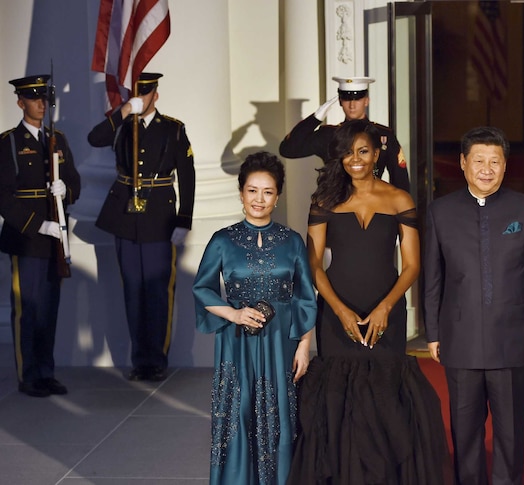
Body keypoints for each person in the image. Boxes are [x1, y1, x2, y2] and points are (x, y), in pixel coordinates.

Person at [288, 119, 446, 484]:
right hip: (335, 311)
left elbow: (411, 265)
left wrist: (386, 307)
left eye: (362, 152)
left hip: (384, 312)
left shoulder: (399, 199)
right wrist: (340, 310)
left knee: (385, 399)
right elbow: (312, 263)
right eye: (347, 152)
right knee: (340, 402)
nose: (354, 160)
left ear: (377, 154)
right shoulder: (325, 198)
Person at [424, 126, 524, 485]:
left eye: (494, 161)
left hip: (513, 339)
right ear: (463, 163)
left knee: (510, 433)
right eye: (478, 160)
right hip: (459, 340)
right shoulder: (440, 212)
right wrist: (432, 332)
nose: (486, 168)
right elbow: (433, 277)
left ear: (505, 165)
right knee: (464, 434)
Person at [193, 151, 316, 484]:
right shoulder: (222, 240)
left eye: (267, 192)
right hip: (237, 342)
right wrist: (234, 313)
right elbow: (202, 289)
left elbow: (306, 296)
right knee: (239, 409)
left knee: (281, 414)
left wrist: (304, 346)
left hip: (282, 341)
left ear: (277, 196)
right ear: (241, 192)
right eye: (252, 190)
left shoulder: (292, 241)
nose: (259, 199)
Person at [87, 73, 195, 382]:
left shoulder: (173, 129)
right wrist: (122, 112)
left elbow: (187, 175)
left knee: (158, 292)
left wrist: (183, 219)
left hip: (160, 217)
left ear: (155, 96)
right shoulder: (122, 126)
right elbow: (95, 139)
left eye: (145, 95)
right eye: (135, 95)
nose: (140, 99)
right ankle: (140, 360)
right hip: (126, 218)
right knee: (133, 291)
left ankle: (157, 359)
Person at [0, 74, 80, 397]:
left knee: (49, 309)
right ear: (21, 103)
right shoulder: (8, 143)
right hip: (27, 237)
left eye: (43, 98)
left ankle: (46, 372)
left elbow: (74, 180)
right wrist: (37, 224)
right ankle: (29, 374)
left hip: (54, 239)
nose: (40, 104)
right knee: (28, 309)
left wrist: (67, 190)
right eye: (34, 99)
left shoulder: (56, 139)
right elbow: (4, 196)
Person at [279, 76, 410, 192]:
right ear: (340, 101)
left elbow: (400, 180)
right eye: (347, 99)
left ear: (366, 101)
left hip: (372, 206)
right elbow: (288, 150)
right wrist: (315, 118)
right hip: (336, 207)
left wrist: (399, 216)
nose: (352, 105)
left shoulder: (383, 136)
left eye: (357, 98)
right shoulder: (328, 135)